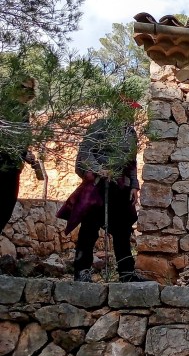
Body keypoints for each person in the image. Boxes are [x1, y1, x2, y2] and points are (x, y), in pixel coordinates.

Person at [58, 104, 143, 282]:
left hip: (120, 188)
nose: (132, 113)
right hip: (98, 186)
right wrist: (99, 169)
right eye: (128, 108)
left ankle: (126, 273)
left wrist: (134, 185)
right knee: (89, 228)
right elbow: (85, 152)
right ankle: (82, 271)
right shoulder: (100, 125)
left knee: (123, 231)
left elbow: (132, 162)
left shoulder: (131, 133)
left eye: (133, 109)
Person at [0, 77, 44, 232]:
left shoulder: (23, 111)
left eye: (30, 89)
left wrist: (25, 153)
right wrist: (22, 152)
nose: (28, 92)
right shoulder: (5, 106)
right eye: (24, 87)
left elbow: (20, 140)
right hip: (3, 166)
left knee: (5, 210)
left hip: (13, 168)